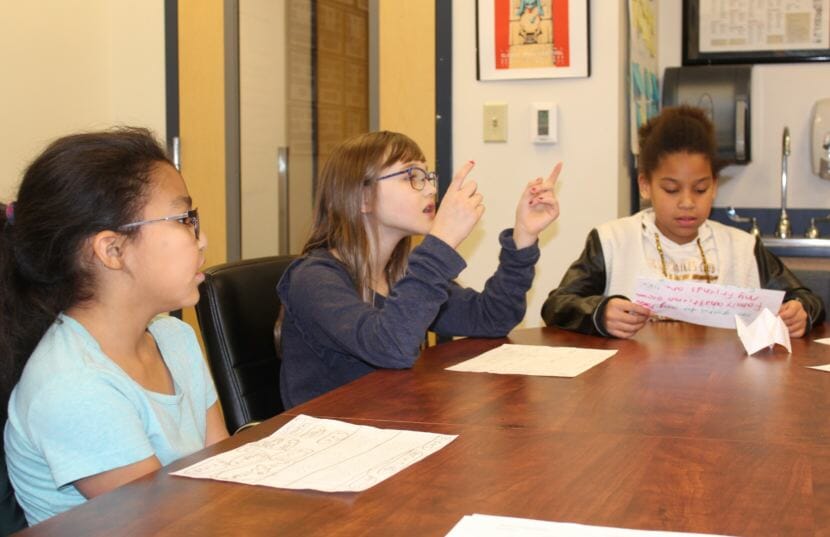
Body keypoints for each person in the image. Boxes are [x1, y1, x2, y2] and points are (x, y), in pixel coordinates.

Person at [0, 128, 229, 525]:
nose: (202, 239)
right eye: (183, 219)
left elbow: (223, 475)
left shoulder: (176, 338)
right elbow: (167, 525)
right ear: (112, 250)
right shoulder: (73, 385)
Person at [277, 131, 561, 408]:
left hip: (396, 424)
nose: (431, 189)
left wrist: (523, 237)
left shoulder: (398, 273)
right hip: (332, 444)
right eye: (411, 177)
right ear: (363, 198)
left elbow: (492, 318)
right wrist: (442, 242)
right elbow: (390, 347)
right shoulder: (313, 278)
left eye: (427, 176)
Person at [541, 105, 824, 339]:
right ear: (645, 186)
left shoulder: (742, 247)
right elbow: (556, 305)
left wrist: (801, 311)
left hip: (724, 386)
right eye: (671, 189)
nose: (687, 202)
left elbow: (807, 299)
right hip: (634, 386)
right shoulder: (613, 241)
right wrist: (600, 312)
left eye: (700, 189)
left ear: (714, 186)